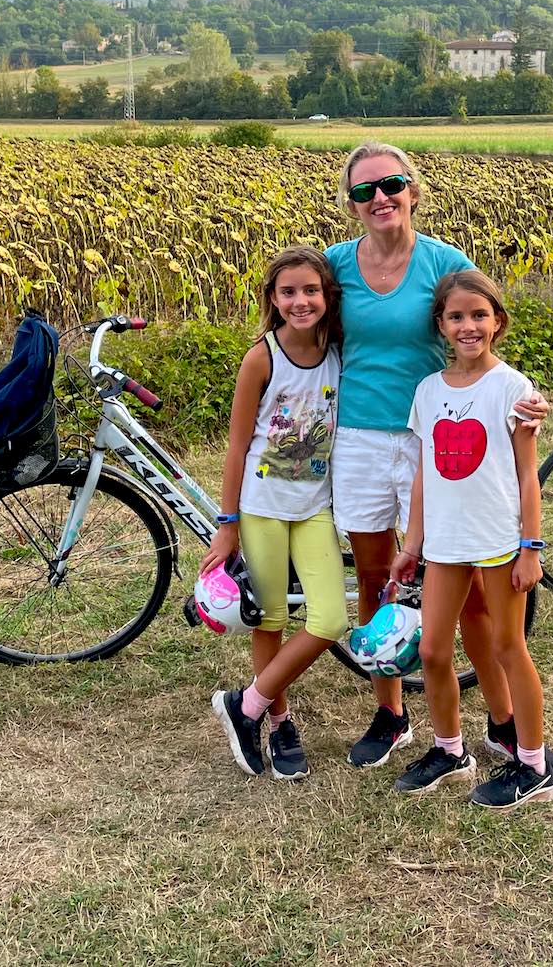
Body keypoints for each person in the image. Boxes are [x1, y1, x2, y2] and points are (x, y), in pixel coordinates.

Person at [326, 141, 547, 769]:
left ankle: (503, 721)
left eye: (390, 184)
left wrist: (529, 401)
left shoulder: (443, 262)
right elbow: (295, 323)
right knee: (377, 579)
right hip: (362, 440)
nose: (380, 198)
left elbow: (479, 331)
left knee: (475, 590)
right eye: (365, 190)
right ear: (351, 203)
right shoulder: (337, 266)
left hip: (436, 437)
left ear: (413, 190)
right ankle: (391, 711)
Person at [390, 269, 553, 808]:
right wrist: (412, 545)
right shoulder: (428, 390)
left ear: (498, 322)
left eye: (479, 315)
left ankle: (534, 766)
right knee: (435, 650)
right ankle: (449, 750)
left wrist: (530, 548)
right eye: (457, 317)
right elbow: (424, 474)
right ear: (440, 324)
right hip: (444, 546)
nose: (469, 326)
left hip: (497, 543)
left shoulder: (512, 388)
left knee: (509, 646)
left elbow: (526, 475)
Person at [208, 247, 346, 780]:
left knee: (329, 619)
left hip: (314, 508)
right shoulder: (261, 358)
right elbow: (238, 445)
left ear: (326, 296)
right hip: (262, 508)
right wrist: (227, 526)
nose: (300, 301)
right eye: (287, 292)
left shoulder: (337, 351)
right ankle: (280, 721)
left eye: (310, 290)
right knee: (269, 619)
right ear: (273, 299)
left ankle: (245, 704)